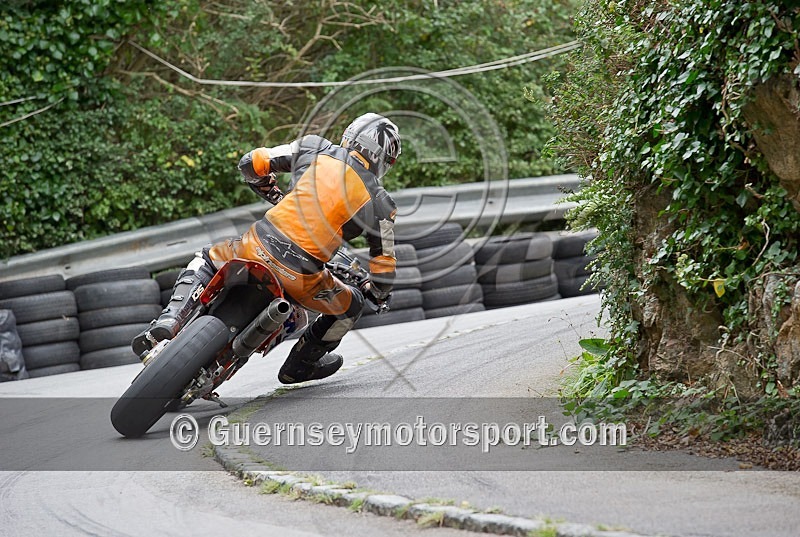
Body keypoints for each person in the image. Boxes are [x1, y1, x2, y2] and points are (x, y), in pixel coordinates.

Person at [132, 113, 401, 384]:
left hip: (253, 248)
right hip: (304, 278)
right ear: (383, 160)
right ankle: (301, 365)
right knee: (350, 308)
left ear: (351, 135)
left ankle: (169, 321)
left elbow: (251, 162)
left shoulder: (314, 147)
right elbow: (385, 266)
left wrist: (271, 193)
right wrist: (376, 292)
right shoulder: (382, 205)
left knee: (205, 258)